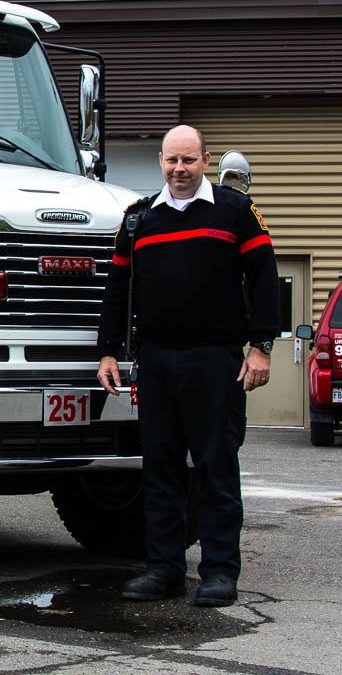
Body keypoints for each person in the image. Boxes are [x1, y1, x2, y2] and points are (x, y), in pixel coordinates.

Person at [96, 125, 278, 608]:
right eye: (172, 161)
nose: (180, 170)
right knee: (160, 470)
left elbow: (264, 281)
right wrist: (108, 350)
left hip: (215, 361)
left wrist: (261, 347)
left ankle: (219, 572)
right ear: (160, 161)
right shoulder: (138, 221)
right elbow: (117, 288)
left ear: (206, 160)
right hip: (155, 361)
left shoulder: (236, 212)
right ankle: (164, 569)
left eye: (189, 160)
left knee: (216, 466)